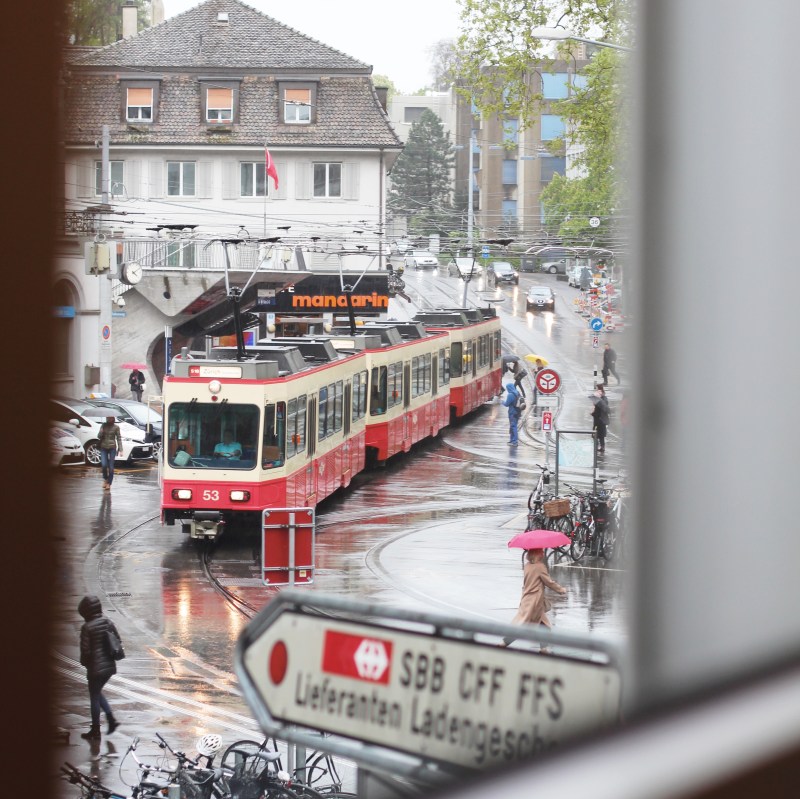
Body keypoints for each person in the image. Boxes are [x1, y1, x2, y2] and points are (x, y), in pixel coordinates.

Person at [501, 549, 567, 647]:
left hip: (527, 600)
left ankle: (544, 649)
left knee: (543, 625)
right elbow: (548, 582)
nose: (543, 553)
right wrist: (561, 590)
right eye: (541, 551)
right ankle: (504, 642)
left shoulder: (527, 566)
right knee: (524, 625)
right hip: (535, 602)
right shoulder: (540, 567)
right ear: (536, 554)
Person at [78, 595, 121, 740]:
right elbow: (117, 640)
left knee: (94, 696)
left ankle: (96, 730)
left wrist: (85, 663)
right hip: (109, 666)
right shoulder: (108, 622)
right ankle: (111, 720)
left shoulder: (87, 627)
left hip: (95, 668)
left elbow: (86, 652)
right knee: (97, 692)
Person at [99, 415, 122, 490]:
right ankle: (105, 479)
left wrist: (120, 449)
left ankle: (109, 483)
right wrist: (101, 432)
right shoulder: (103, 425)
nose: (108, 419)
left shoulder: (116, 427)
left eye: (110, 417)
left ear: (113, 418)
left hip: (112, 448)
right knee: (104, 464)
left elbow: (119, 438)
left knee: (111, 467)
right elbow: (99, 436)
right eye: (107, 417)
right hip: (103, 447)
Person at [502, 381, 522, 446]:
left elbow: (506, 404)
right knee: (513, 426)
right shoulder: (517, 392)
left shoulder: (510, 395)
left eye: (507, 388)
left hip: (512, 412)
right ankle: (512, 440)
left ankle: (515, 441)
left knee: (513, 426)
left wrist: (502, 402)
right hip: (518, 412)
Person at [591, 388, 610, 454]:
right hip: (603, 421)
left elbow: (596, 414)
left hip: (598, 422)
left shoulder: (598, 403)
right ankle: (602, 447)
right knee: (601, 435)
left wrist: (592, 413)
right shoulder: (604, 401)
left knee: (594, 434)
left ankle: (596, 446)